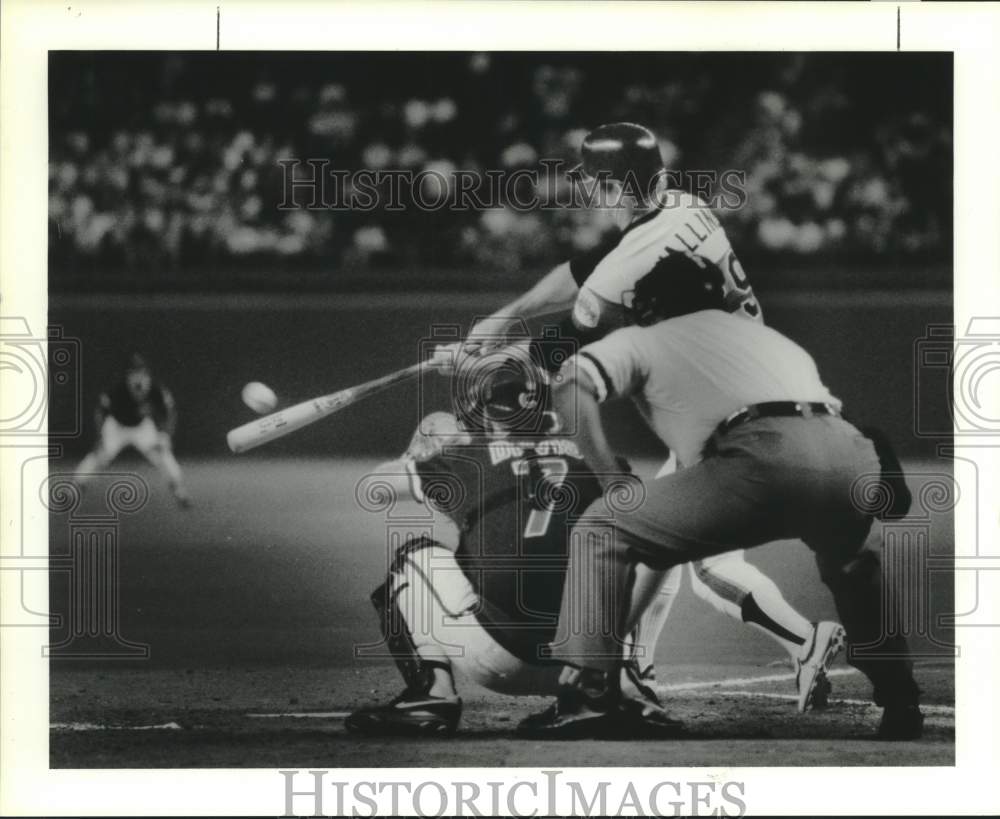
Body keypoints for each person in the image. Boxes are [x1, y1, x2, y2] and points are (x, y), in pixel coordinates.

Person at [436, 121, 843, 713]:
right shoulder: (679, 205)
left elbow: (561, 344)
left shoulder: (638, 256)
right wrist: (501, 321)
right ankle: (636, 668)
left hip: (725, 410)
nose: (589, 191)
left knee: (700, 562)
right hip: (746, 383)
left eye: (595, 181)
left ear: (615, 184)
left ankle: (802, 643)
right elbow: (586, 268)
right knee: (659, 544)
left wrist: (483, 360)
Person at [518, 252, 923, 741]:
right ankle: (901, 699)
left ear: (649, 305)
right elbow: (828, 415)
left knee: (604, 527)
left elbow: (570, 381)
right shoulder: (768, 339)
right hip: (850, 455)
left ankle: (588, 694)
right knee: (853, 569)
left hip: (759, 457)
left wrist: (611, 475)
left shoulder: (648, 337)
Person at [345, 352, 680, 737]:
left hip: (501, 659)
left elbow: (376, 487)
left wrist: (420, 454)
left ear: (483, 412)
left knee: (414, 556)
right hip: (592, 661)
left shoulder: (464, 457)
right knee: (639, 547)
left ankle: (430, 698)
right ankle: (628, 684)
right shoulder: (601, 460)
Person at [74, 353, 192, 507]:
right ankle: (75, 488)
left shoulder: (155, 390)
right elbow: (100, 411)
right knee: (100, 455)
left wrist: (166, 434)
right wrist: (101, 435)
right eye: (134, 374)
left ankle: (179, 491)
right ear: (127, 376)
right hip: (116, 427)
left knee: (163, 455)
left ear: (147, 375)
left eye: (142, 373)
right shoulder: (118, 389)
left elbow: (170, 411)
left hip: (141, 427)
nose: (138, 378)